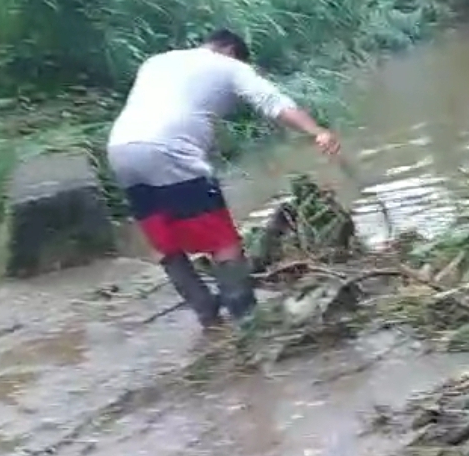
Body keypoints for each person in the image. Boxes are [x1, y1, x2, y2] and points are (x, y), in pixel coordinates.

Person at [106, 29, 341, 329]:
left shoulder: (157, 61)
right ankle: (246, 318)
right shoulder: (229, 65)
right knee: (223, 241)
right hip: (169, 149)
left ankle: (207, 314)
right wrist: (317, 131)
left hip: (121, 149)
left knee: (164, 239)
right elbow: (274, 103)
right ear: (230, 50)